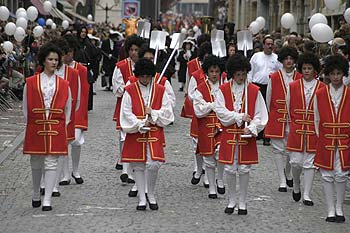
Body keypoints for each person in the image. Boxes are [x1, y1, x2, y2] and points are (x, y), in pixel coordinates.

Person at [215, 54, 268, 215]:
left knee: (244, 169)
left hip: (246, 136)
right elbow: (220, 111)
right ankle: (232, 200)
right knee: (230, 169)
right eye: (238, 74)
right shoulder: (223, 90)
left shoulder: (254, 90)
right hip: (230, 135)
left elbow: (261, 114)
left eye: (244, 74)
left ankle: (243, 202)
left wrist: (252, 127)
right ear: (232, 74)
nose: (241, 78)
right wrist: (238, 117)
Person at [120, 58, 174, 210]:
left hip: (154, 131)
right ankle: (142, 198)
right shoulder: (130, 90)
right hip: (137, 131)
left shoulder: (160, 90)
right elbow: (125, 111)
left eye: (147, 76)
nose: (145, 79)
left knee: (154, 164)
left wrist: (154, 113)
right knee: (138, 165)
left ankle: (150, 192)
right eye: (142, 76)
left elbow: (168, 112)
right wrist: (138, 123)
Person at [23, 43, 71, 211]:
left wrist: (59, 126)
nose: (53, 62)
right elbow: (25, 107)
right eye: (50, 59)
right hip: (36, 126)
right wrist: (34, 123)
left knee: (52, 162)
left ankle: (48, 199)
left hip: (55, 127)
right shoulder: (30, 82)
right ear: (43, 60)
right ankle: (36, 192)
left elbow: (68, 108)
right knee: (36, 161)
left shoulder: (64, 84)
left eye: (56, 60)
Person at [314, 55, 350, 223]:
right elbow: (316, 119)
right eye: (333, 73)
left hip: (345, 140)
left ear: (344, 74)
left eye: (339, 73)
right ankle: (330, 209)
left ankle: (339, 207)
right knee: (327, 175)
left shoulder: (349, 93)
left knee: (342, 174)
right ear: (328, 74)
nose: (336, 77)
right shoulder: (320, 93)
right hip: (326, 139)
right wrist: (320, 137)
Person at [286, 52, 324, 206]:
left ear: (315, 70)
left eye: (310, 68)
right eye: (305, 68)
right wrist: (292, 124)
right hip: (297, 128)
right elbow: (288, 107)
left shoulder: (322, 87)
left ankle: (307, 194)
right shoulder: (293, 86)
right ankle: (296, 184)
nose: (307, 71)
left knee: (310, 163)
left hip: (313, 130)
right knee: (295, 163)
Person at [265, 47, 302, 192]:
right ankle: (281, 179)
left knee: (291, 150)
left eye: (291, 59)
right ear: (282, 60)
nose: (288, 61)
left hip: (294, 119)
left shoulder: (299, 77)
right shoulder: (273, 77)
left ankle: (288, 172)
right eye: (286, 59)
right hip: (277, 117)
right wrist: (272, 115)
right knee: (278, 149)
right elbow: (269, 99)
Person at [57, 34, 90, 186]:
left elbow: (83, 94)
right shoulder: (56, 69)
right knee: (63, 143)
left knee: (76, 141)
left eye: (70, 51)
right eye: (65, 52)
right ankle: (65, 174)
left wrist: (81, 115)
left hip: (77, 112)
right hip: (61, 112)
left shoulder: (81, 69)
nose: (68, 55)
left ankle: (75, 170)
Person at [193, 55, 225, 198]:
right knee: (208, 159)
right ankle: (212, 187)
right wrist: (212, 105)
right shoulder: (200, 89)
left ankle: (220, 180)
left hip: (222, 127)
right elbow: (198, 111)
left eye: (217, 71)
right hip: (205, 127)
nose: (214, 74)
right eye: (211, 71)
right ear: (207, 72)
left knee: (220, 154)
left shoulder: (225, 88)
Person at [112, 35, 144, 182]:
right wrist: (130, 88)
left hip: (141, 107)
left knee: (136, 137)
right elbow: (117, 90)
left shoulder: (145, 66)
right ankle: (125, 168)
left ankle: (131, 166)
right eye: (131, 50)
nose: (133, 53)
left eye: (136, 50)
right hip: (125, 105)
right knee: (124, 136)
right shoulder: (121, 67)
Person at [248, 36, 282, 146]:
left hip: (270, 87)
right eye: (268, 44)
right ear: (263, 45)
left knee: (268, 110)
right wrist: (249, 84)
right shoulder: (256, 56)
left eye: (271, 44)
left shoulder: (276, 58)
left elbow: (279, 72)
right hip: (257, 85)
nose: (270, 46)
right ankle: (257, 131)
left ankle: (266, 135)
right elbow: (250, 70)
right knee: (257, 109)